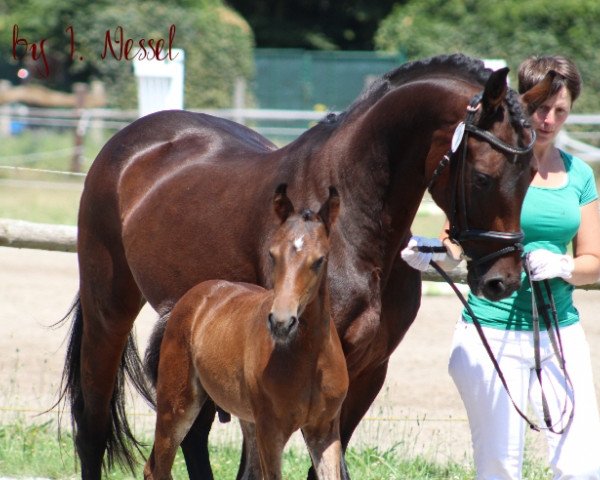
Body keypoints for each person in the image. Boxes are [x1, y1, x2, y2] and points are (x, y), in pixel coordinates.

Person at [401, 55, 600, 479]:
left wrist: (564, 266)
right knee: (498, 467)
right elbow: (456, 242)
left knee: (581, 466)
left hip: (559, 331)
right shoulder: (495, 164)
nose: (548, 120)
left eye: (560, 111)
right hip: (492, 329)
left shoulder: (579, 174)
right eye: (540, 109)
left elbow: (594, 263)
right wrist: (432, 254)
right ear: (521, 104)